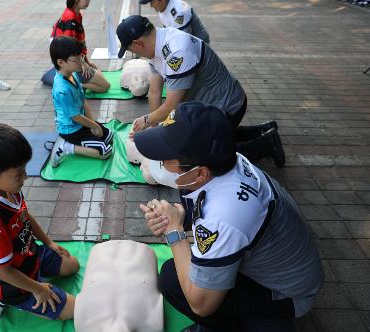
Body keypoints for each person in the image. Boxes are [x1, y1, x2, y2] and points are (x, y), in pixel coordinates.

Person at [134, 102, 324, 332]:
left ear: (200, 172)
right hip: (285, 267)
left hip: (287, 292)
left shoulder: (224, 216)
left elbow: (200, 303)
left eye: (165, 158)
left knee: (172, 280)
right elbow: (204, 208)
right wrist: (181, 216)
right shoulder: (227, 164)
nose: (159, 163)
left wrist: (174, 231)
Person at [117, 15, 285, 168]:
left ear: (138, 43)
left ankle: (266, 145)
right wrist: (154, 125)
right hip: (209, 106)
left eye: (132, 50)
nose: (136, 54)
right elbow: (154, 91)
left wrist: (146, 120)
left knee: (198, 156)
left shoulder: (177, 51)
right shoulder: (157, 46)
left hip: (226, 106)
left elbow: (170, 107)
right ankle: (263, 131)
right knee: (192, 133)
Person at [0, 123, 80, 325]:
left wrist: (49, 243)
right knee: (76, 310)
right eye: (18, 174)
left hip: (30, 256)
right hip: (11, 282)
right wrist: (37, 288)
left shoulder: (8, 189)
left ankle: (37, 277)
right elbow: (3, 271)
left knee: (72, 265)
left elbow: (25, 216)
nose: (26, 177)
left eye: (24, 170)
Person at [48, 36, 113, 167]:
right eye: (76, 59)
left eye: (81, 57)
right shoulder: (62, 90)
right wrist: (93, 126)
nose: (81, 62)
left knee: (109, 136)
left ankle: (80, 140)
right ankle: (66, 146)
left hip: (81, 123)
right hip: (71, 130)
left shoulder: (73, 74)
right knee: (106, 151)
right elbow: (76, 117)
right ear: (61, 62)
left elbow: (84, 101)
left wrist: (93, 123)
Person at [51, 0, 110, 93]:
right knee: (105, 86)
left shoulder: (76, 14)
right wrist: (83, 64)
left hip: (75, 60)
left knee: (98, 72)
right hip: (72, 64)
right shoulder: (71, 17)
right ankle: (78, 85)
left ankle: (78, 82)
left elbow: (79, 43)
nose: (88, 1)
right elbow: (69, 48)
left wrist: (87, 61)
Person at [139, 0, 210, 44]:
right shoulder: (162, 8)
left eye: (151, 1)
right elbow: (169, 32)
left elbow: (185, 41)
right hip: (182, 39)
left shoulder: (179, 12)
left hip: (197, 42)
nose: (151, 5)